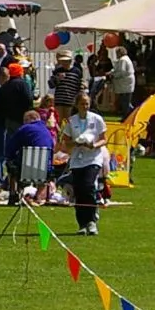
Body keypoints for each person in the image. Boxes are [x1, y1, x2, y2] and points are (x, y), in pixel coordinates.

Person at [61, 90, 108, 235]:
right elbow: (66, 142)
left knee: (88, 186)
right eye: (82, 104)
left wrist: (93, 145)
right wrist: (75, 143)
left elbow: (104, 139)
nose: (85, 106)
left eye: (87, 104)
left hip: (93, 158)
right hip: (77, 159)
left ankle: (92, 221)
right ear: (77, 105)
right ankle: (82, 223)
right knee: (79, 190)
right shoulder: (71, 121)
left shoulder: (97, 119)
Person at [0, 62, 33, 185]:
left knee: (10, 148)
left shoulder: (5, 86)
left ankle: (11, 176)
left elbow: (0, 103)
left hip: (8, 121)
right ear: (20, 72)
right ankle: (22, 175)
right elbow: (29, 99)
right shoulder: (23, 84)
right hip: (21, 120)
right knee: (23, 147)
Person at [109, 47, 136, 120]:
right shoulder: (125, 59)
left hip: (125, 84)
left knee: (125, 101)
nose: (116, 55)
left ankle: (127, 116)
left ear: (120, 53)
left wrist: (113, 75)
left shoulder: (123, 60)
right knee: (126, 101)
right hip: (126, 84)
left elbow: (122, 72)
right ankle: (131, 114)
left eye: (117, 53)